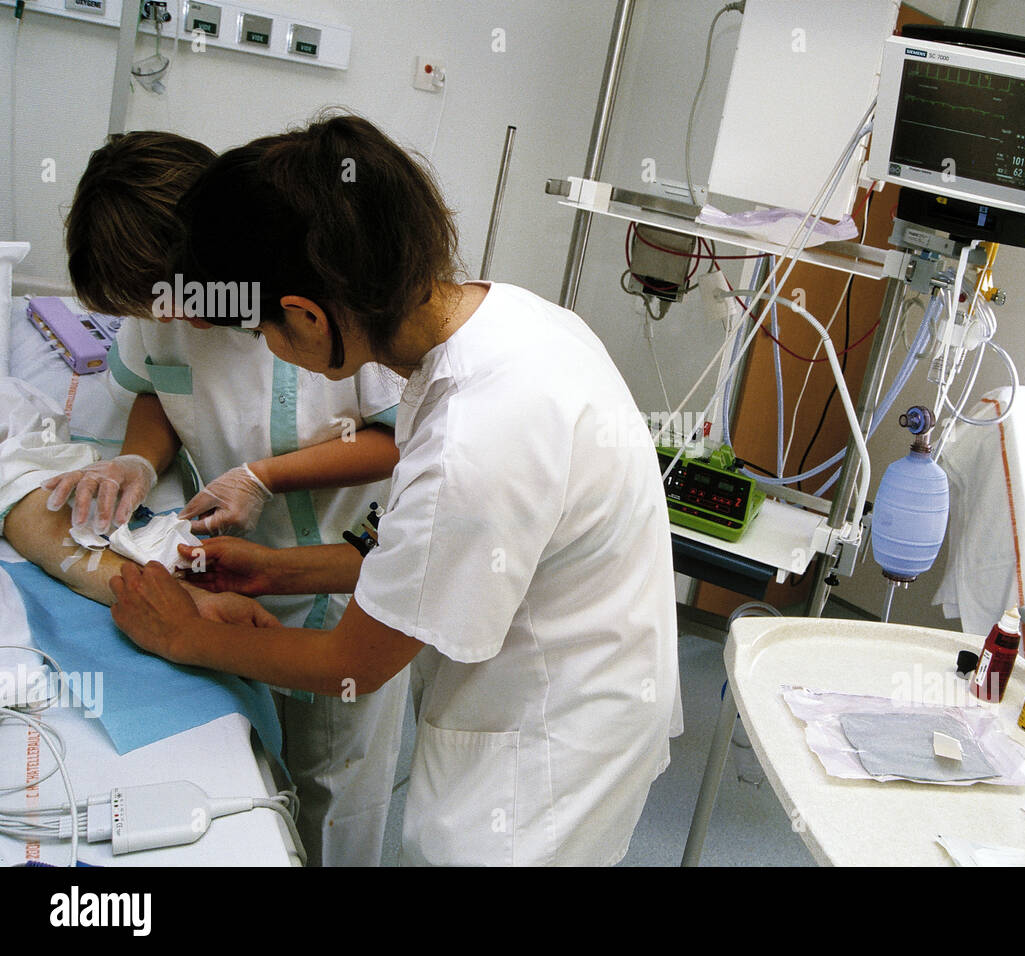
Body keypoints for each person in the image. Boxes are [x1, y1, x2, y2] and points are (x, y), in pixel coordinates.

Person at [109, 113, 680, 866]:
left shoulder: (478, 434)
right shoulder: (505, 320)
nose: (276, 354)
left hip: (546, 749)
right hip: (584, 685)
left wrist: (185, 636)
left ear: (307, 316)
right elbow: (422, 547)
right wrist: (277, 569)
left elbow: (357, 665)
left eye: (269, 336)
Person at [44, 131, 409, 867]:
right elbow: (155, 385)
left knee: (332, 795)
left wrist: (266, 476)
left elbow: (398, 434)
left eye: (178, 298)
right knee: (242, 771)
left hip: (338, 583)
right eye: (153, 308)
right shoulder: (162, 312)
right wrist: (139, 463)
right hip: (226, 575)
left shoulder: (314, 305)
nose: (171, 321)